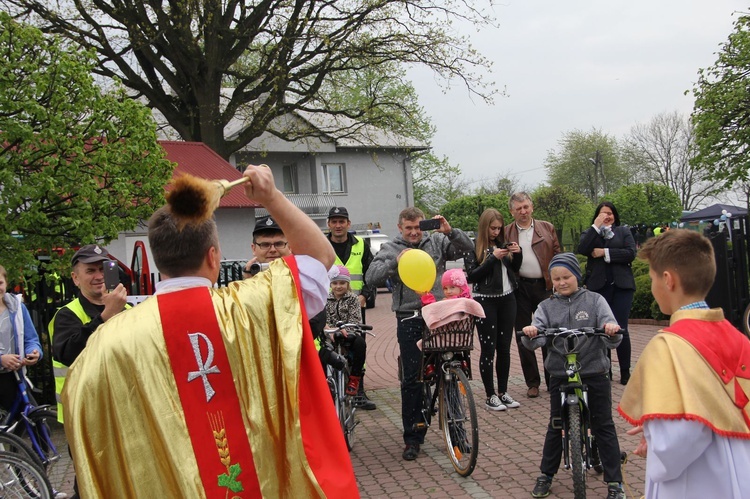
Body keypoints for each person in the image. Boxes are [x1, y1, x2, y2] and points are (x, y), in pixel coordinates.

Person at [61, 166, 359, 497]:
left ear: (160, 262)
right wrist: (271, 196)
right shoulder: (253, 305)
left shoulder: (110, 339)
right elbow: (320, 256)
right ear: (213, 256)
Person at [619, 230, 750, 499]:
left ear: (668, 280)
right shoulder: (737, 337)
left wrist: (655, 436)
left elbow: (677, 441)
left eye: (653, 278)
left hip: (700, 480)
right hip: (739, 468)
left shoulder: (669, 346)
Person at [365, 207, 473, 461]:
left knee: (450, 369)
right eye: (409, 228)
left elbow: (467, 248)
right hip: (410, 317)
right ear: (400, 227)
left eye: (417, 227)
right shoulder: (391, 247)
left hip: (440, 315)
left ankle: (457, 434)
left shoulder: (435, 240)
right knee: (412, 379)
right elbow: (372, 277)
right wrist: (396, 261)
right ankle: (413, 438)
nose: (414, 232)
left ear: (423, 225)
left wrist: (451, 232)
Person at [521, 253, 625, 499]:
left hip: (594, 371)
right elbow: (535, 340)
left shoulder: (595, 301)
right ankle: (546, 475)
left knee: (604, 424)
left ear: (577, 276)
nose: (562, 282)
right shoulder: (546, 306)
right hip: (560, 373)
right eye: (556, 279)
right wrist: (532, 332)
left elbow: (613, 334)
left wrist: (610, 330)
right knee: (556, 424)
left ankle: (615, 483)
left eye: (566, 276)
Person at [464, 208, 523, 411]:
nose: (496, 232)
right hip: (485, 301)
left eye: (499, 228)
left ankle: (503, 392)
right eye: (493, 228)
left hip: (508, 299)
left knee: (505, 348)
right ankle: (490, 394)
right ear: (484, 227)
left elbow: (515, 270)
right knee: (488, 349)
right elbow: (472, 276)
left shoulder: (501, 245)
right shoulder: (474, 248)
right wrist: (492, 258)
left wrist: (518, 254)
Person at [505, 192, 561, 398]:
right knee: (523, 335)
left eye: (526, 207)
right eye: (518, 208)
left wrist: (558, 282)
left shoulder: (547, 228)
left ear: (532, 207)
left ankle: (552, 378)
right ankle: (532, 382)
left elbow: (557, 255)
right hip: (519, 289)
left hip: (544, 287)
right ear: (512, 211)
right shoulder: (506, 232)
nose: (523, 211)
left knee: (548, 333)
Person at [577, 201, 636, 385]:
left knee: (620, 328)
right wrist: (596, 226)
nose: (607, 216)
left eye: (610, 213)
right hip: (599, 287)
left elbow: (630, 253)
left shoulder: (623, 232)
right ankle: (605, 369)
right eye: (603, 214)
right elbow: (582, 249)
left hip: (621, 286)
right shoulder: (591, 233)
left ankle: (625, 371)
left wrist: (605, 252)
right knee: (603, 329)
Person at [327, 206, 377, 410]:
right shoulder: (321, 245)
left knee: (358, 347)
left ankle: (358, 391)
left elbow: (372, 273)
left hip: (355, 305)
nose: (338, 225)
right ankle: (331, 390)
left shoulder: (362, 245)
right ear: (329, 224)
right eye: (334, 221)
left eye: (342, 221)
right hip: (328, 306)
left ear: (348, 223)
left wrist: (365, 294)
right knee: (326, 347)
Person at [0, 265, 42, 412]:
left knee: (36, 423)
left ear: (6, 283)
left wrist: (34, 352)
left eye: (0, 283)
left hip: (13, 377)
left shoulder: (17, 308)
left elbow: (31, 339)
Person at [325, 265, 367, 396]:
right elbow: (323, 318)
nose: (338, 286)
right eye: (335, 283)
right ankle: (325, 380)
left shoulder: (353, 298)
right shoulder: (326, 299)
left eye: (342, 283)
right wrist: (329, 329)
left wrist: (346, 329)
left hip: (349, 333)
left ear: (347, 284)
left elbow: (355, 319)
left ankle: (354, 379)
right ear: (330, 284)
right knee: (321, 350)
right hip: (330, 334)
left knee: (360, 344)